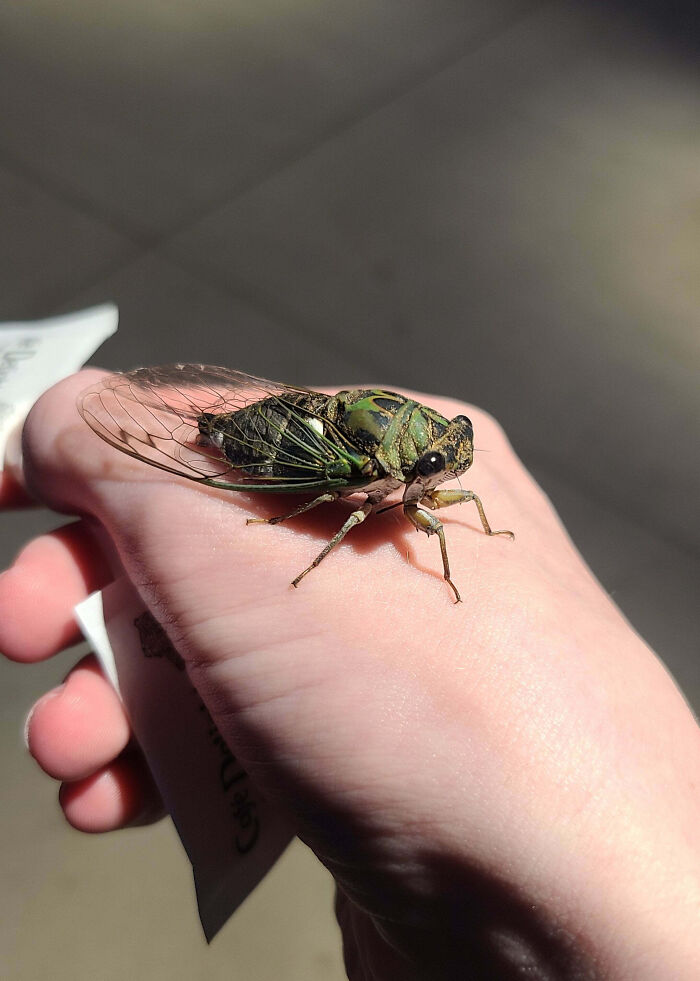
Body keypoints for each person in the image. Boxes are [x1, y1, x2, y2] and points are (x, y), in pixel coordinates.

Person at [1, 370, 698, 980]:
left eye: (450, 449)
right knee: (333, 501)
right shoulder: (367, 471)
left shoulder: (419, 466)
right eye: (435, 459)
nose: (448, 471)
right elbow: (326, 510)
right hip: (290, 447)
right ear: (404, 454)